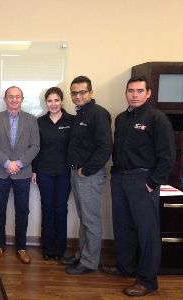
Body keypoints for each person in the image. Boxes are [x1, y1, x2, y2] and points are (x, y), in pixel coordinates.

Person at [100, 75, 175, 296]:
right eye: (131, 91)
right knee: (123, 227)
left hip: (143, 181)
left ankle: (147, 280)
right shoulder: (122, 118)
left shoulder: (157, 118)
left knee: (147, 232)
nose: (134, 94)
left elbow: (168, 156)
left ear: (148, 93)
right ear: (126, 93)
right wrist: (115, 174)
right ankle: (126, 267)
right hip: (121, 179)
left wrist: (153, 182)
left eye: (139, 91)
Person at [61, 76, 112, 274]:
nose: (78, 96)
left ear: (91, 93)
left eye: (82, 92)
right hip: (76, 172)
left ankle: (89, 262)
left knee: (91, 219)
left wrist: (87, 170)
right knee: (84, 217)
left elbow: (105, 147)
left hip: (88, 174)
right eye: (74, 93)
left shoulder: (98, 114)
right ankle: (82, 254)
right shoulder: (80, 114)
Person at [0, 86, 40, 264]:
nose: (14, 100)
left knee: (22, 211)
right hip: (1, 172)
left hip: (22, 172)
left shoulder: (32, 120)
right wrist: (6, 163)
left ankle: (21, 247)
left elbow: (35, 146)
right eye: (11, 97)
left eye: (18, 97)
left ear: (22, 99)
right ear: (5, 99)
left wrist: (18, 164)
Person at [32, 87, 74, 261]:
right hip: (44, 172)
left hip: (65, 172)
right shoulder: (39, 122)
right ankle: (48, 248)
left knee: (60, 209)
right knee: (47, 208)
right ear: (46, 102)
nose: (53, 104)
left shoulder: (72, 120)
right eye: (50, 100)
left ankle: (60, 249)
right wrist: (34, 170)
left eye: (56, 100)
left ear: (62, 101)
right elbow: (34, 147)